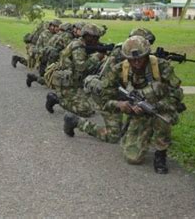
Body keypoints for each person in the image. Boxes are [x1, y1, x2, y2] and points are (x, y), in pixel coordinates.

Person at [64, 35, 183, 174]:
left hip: (158, 109)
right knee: (130, 155)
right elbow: (103, 100)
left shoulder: (161, 66)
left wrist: (158, 105)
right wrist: (121, 104)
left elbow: (176, 93)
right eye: (133, 59)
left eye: (141, 58)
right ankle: (75, 121)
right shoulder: (118, 70)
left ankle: (160, 153)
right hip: (131, 110)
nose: (137, 62)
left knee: (163, 118)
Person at [43, 23, 104, 117]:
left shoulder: (83, 44)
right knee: (85, 110)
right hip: (66, 83)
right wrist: (97, 57)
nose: (96, 40)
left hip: (75, 81)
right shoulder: (78, 47)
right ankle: (55, 99)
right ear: (87, 36)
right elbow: (81, 67)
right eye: (94, 38)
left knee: (92, 107)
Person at [26, 22, 74, 87]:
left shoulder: (57, 35)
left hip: (47, 58)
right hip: (49, 58)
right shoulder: (64, 36)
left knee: (51, 78)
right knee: (53, 81)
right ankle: (35, 78)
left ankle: (35, 78)